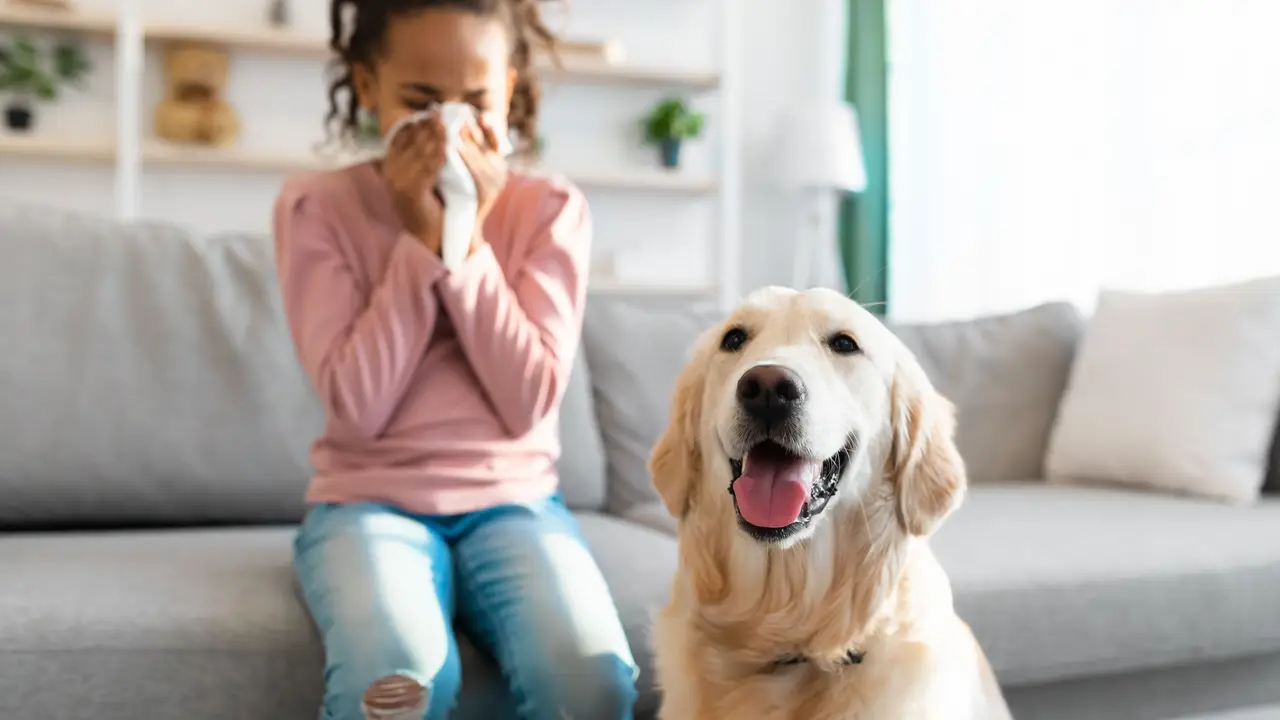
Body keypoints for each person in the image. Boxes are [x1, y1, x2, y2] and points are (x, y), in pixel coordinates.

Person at [271, 1, 638, 718]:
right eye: (418, 100)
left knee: (590, 682)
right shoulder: (317, 208)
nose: (449, 125)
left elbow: (528, 398)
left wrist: (465, 244)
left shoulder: (551, 210)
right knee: (396, 686)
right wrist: (417, 244)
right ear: (367, 86)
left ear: (512, 94)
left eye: (476, 102)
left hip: (516, 505)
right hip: (367, 504)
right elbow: (358, 405)